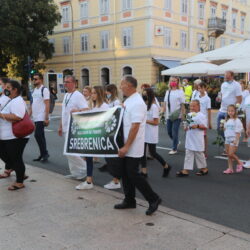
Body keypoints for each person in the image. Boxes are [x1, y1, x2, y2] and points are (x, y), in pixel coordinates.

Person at [114, 76, 161, 216]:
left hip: (133, 146)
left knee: (133, 174)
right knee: (125, 173)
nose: (120, 87)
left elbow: (135, 127)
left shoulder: (138, 103)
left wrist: (126, 146)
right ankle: (129, 200)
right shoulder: (129, 100)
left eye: (122, 84)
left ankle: (154, 198)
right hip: (126, 143)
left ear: (129, 86)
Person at [75, 86, 109, 190]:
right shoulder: (94, 106)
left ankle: (117, 179)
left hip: (103, 137)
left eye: (94, 93)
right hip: (93, 136)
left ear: (99, 94)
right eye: (92, 93)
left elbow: (105, 121)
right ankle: (89, 181)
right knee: (88, 156)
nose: (92, 95)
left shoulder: (104, 106)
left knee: (111, 160)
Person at [0, 80, 29, 190]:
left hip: (15, 136)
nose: (5, 89)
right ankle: (19, 171)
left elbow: (18, 116)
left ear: (15, 90)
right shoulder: (10, 100)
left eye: (8, 87)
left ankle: (19, 181)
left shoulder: (18, 100)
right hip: (6, 136)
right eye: (5, 87)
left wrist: (1, 115)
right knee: (6, 155)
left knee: (16, 158)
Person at [58, 75, 88, 180]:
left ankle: (85, 169)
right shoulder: (66, 95)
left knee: (70, 152)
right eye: (64, 82)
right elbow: (64, 112)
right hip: (66, 127)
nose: (65, 84)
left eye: (67, 82)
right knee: (69, 153)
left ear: (74, 83)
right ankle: (75, 172)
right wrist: (61, 126)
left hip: (74, 128)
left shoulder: (78, 95)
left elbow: (86, 109)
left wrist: (78, 111)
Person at [141, 87, 171, 177]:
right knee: (142, 153)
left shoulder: (153, 107)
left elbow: (155, 122)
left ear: (149, 95)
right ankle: (144, 171)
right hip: (144, 132)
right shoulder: (144, 106)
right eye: (143, 94)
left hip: (151, 133)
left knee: (153, 153)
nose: (144, 96)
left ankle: (166, 166)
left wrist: (144, 120)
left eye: (145, 94)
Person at [176, 100, 208, 177]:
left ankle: (204, 169)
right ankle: (185, 170)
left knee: (199, 154)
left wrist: (197, 126)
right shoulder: (189, 115)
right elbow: (186, 124)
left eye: (194, 106)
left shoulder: (201, 116)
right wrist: (185, 127)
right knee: (188, 153)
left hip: (197, 138)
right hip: (190, 137)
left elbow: (204, 127)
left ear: (198, 106)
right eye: (191, 106)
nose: (192, 107)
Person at [101, 84, 122, 190]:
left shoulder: (116, 102)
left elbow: (116, 116)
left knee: (113, 158)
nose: (106, 93)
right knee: (108, 156)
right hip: (108, 131)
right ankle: (115, 179)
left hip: (114, 132)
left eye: (107, 92)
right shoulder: (109, 102)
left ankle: (116, 181)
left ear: (111, 92)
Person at [217, 71, 242, 155]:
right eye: (225, 76)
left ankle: (230, 147)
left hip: (230, 111)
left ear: (232, 76)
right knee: (219, 129)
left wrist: (235, 111)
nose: (226, 77)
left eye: (227, 76)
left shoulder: (236, 85)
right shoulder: (223, 84)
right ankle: (228, 145)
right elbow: (221, 95)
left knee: (229, 129)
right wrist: (219, 98)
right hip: (222, 110)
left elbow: (239, 98)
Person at [29, 73, 50, 162]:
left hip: (41, 116)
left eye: (36, 79)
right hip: (35, 117)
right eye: (34, 79)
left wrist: (46, 117)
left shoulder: (44, 90)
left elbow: (47, 103)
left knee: (37, 135)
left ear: (41, 80)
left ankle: (44, 153)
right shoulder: (34, 91)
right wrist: (28, 116)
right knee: (41, 136)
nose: (34, 81)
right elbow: (32, 104)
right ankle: (43, 154)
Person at [163, 77, 185, 155]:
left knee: (174, 132)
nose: (173, 82)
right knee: (169, 132)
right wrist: (163, 111)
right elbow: (165, 102)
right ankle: (176, 141)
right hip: (169, 115)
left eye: (175, 81)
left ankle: (174, 148)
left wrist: (183, 115)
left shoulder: (180, 91)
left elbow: (182, 104)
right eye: (172, 81)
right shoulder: (168, 92)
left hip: (177, 115)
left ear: (177, 82)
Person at [223, 105, 243, 174]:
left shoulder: (237, 121)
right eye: (229, 111)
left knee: (231, 154)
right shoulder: (227, 120)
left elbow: (238, 132)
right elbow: (225, 129)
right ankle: (230, 168)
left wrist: (236, 140)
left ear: (235, 112)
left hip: (233, 139)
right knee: (228, 155)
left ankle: (240, 162)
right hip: (227, 139)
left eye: (232, 111)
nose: (230, 112)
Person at [0, 77, 12, 178]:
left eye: (0, 84)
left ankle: (15, 168)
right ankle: (9, 169)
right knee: (6, 151)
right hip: (2, 129)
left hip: (7, 129)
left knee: (6, 151)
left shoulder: (7, 98)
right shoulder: (2, 96)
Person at [196, 82, 212, 158]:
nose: (200, 89)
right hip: (196, 118)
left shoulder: (207, 98)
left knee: (204, 136)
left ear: (205, 88)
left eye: (201, 88)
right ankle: (198, 150)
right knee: (197, 135)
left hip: (203, 120)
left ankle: (204, 151)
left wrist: (209, 122)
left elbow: (209, 110)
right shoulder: (196, 96)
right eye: (199, 88)